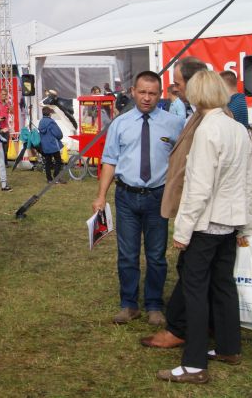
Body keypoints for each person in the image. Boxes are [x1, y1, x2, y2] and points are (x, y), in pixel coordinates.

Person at [155, 70, 252, 384]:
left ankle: (195, 364)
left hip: (207, 224)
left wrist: (182, 233)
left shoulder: (207, 130)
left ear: (197, 95)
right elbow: (247, 183)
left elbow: (198, 188)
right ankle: (229, 347)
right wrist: (246, 227)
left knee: (195, 290)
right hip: (231, 222)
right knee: (223, 285)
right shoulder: (238, 129)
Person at [91, 71, 185, 325]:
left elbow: (182, 161)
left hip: (158, 197)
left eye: (152, 93)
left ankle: (154, 305)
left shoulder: (175, 124)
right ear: (133, 91)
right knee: (127, 254)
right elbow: (110, 160)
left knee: (156, 255)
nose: (146, 98)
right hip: (126, 197)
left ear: (160, 94)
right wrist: (101, 196)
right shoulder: (120, 123)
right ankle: (129, 304)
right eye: (142, 92)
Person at [141, 56, 208, 348]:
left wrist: (184, 225)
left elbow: (201, 178)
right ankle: (224, 339)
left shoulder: (207, 121)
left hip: (204, 216)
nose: (175, 89)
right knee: (208, 276)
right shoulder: (203, 116)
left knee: (191, 273)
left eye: (178, 84)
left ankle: (182, 333)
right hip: (207, 215)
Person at [38, 106, 64, 184]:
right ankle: (56, 176)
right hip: (53, 145)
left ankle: (49, 179)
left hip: (45, 146)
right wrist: (60, 137)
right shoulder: (51, 122)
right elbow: (58, 134)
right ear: (49, 113)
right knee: (58, 161)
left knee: (48, 162)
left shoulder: (41, 122)